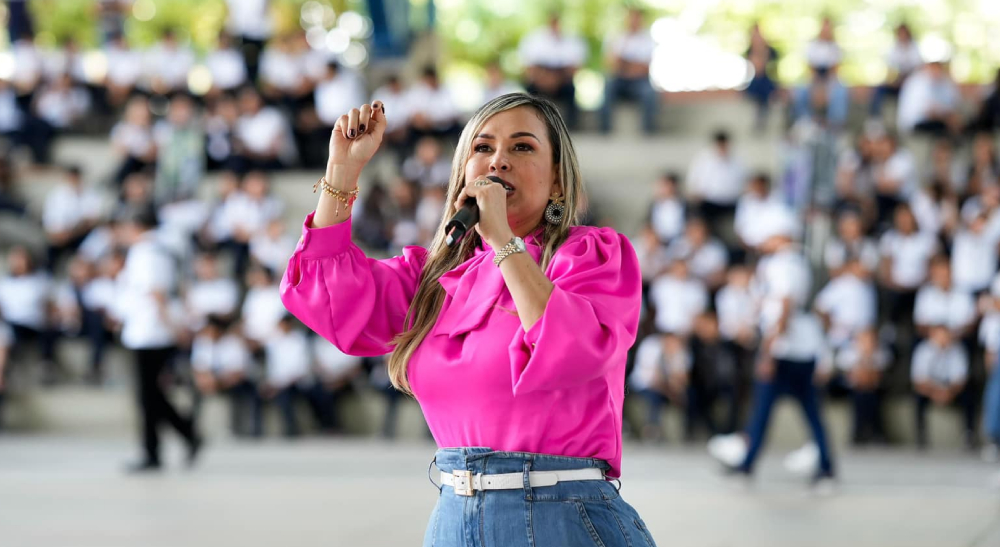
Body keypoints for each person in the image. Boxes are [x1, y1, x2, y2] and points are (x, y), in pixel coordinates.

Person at [280, 93, 656, 546]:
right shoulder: (433, 279)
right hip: (454, 517)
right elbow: (327, 296)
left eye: (522, 147)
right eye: (482, 148)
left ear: (557, 180)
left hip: (563, 518)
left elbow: (574, 347)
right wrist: (342, 172)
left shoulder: (590, 255)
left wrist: (501, 238)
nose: (498, 161)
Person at [112, 206, 201, 472]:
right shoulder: (164, 249)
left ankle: (156, 449)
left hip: (149, 332)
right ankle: (184, 434)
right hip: (150, 329)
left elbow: (156, 292)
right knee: (151, 395)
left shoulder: (146, 252)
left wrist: (173, 326)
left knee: (148, 396)